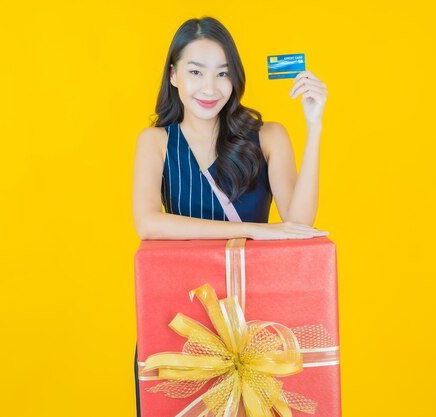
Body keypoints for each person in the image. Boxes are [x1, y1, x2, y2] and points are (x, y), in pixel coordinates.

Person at [130, 16, 329, 416]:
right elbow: (148, 224)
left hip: (260, 326)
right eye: (195, 72)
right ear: (173, 76)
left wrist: (315, 125)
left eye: (223, 74)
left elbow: (299, 225)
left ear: (235, 78)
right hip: (183, 328)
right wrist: (257, 231)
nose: (210, 87)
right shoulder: (155, 142)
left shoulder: (268, 136)